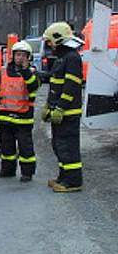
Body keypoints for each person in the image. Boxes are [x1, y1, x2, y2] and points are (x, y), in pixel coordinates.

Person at [42, 22, 85, 193]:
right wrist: (48, 106)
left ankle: (73, 181)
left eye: (50, 41)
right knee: (59, 145)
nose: (49, 45)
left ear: (58, 39)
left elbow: (70, 86)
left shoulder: (72, 58)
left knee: (68, 146)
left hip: (68, 113)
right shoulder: (62, 58)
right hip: (60, 111)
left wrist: (60, 108)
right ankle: (64, 176)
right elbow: (55, 85)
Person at [0, 40, 39, 182]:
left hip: (23, 117)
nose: (20, 58)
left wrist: (25, 71)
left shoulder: (32, 73)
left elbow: (33, 87)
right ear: (13, 56)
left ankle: (27, 173)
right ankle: (7, 170)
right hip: (5, 117)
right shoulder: (3, 71)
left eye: (23, 55)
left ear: (28, 57)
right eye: (18, 55)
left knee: (26, 148)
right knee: (7, 148)